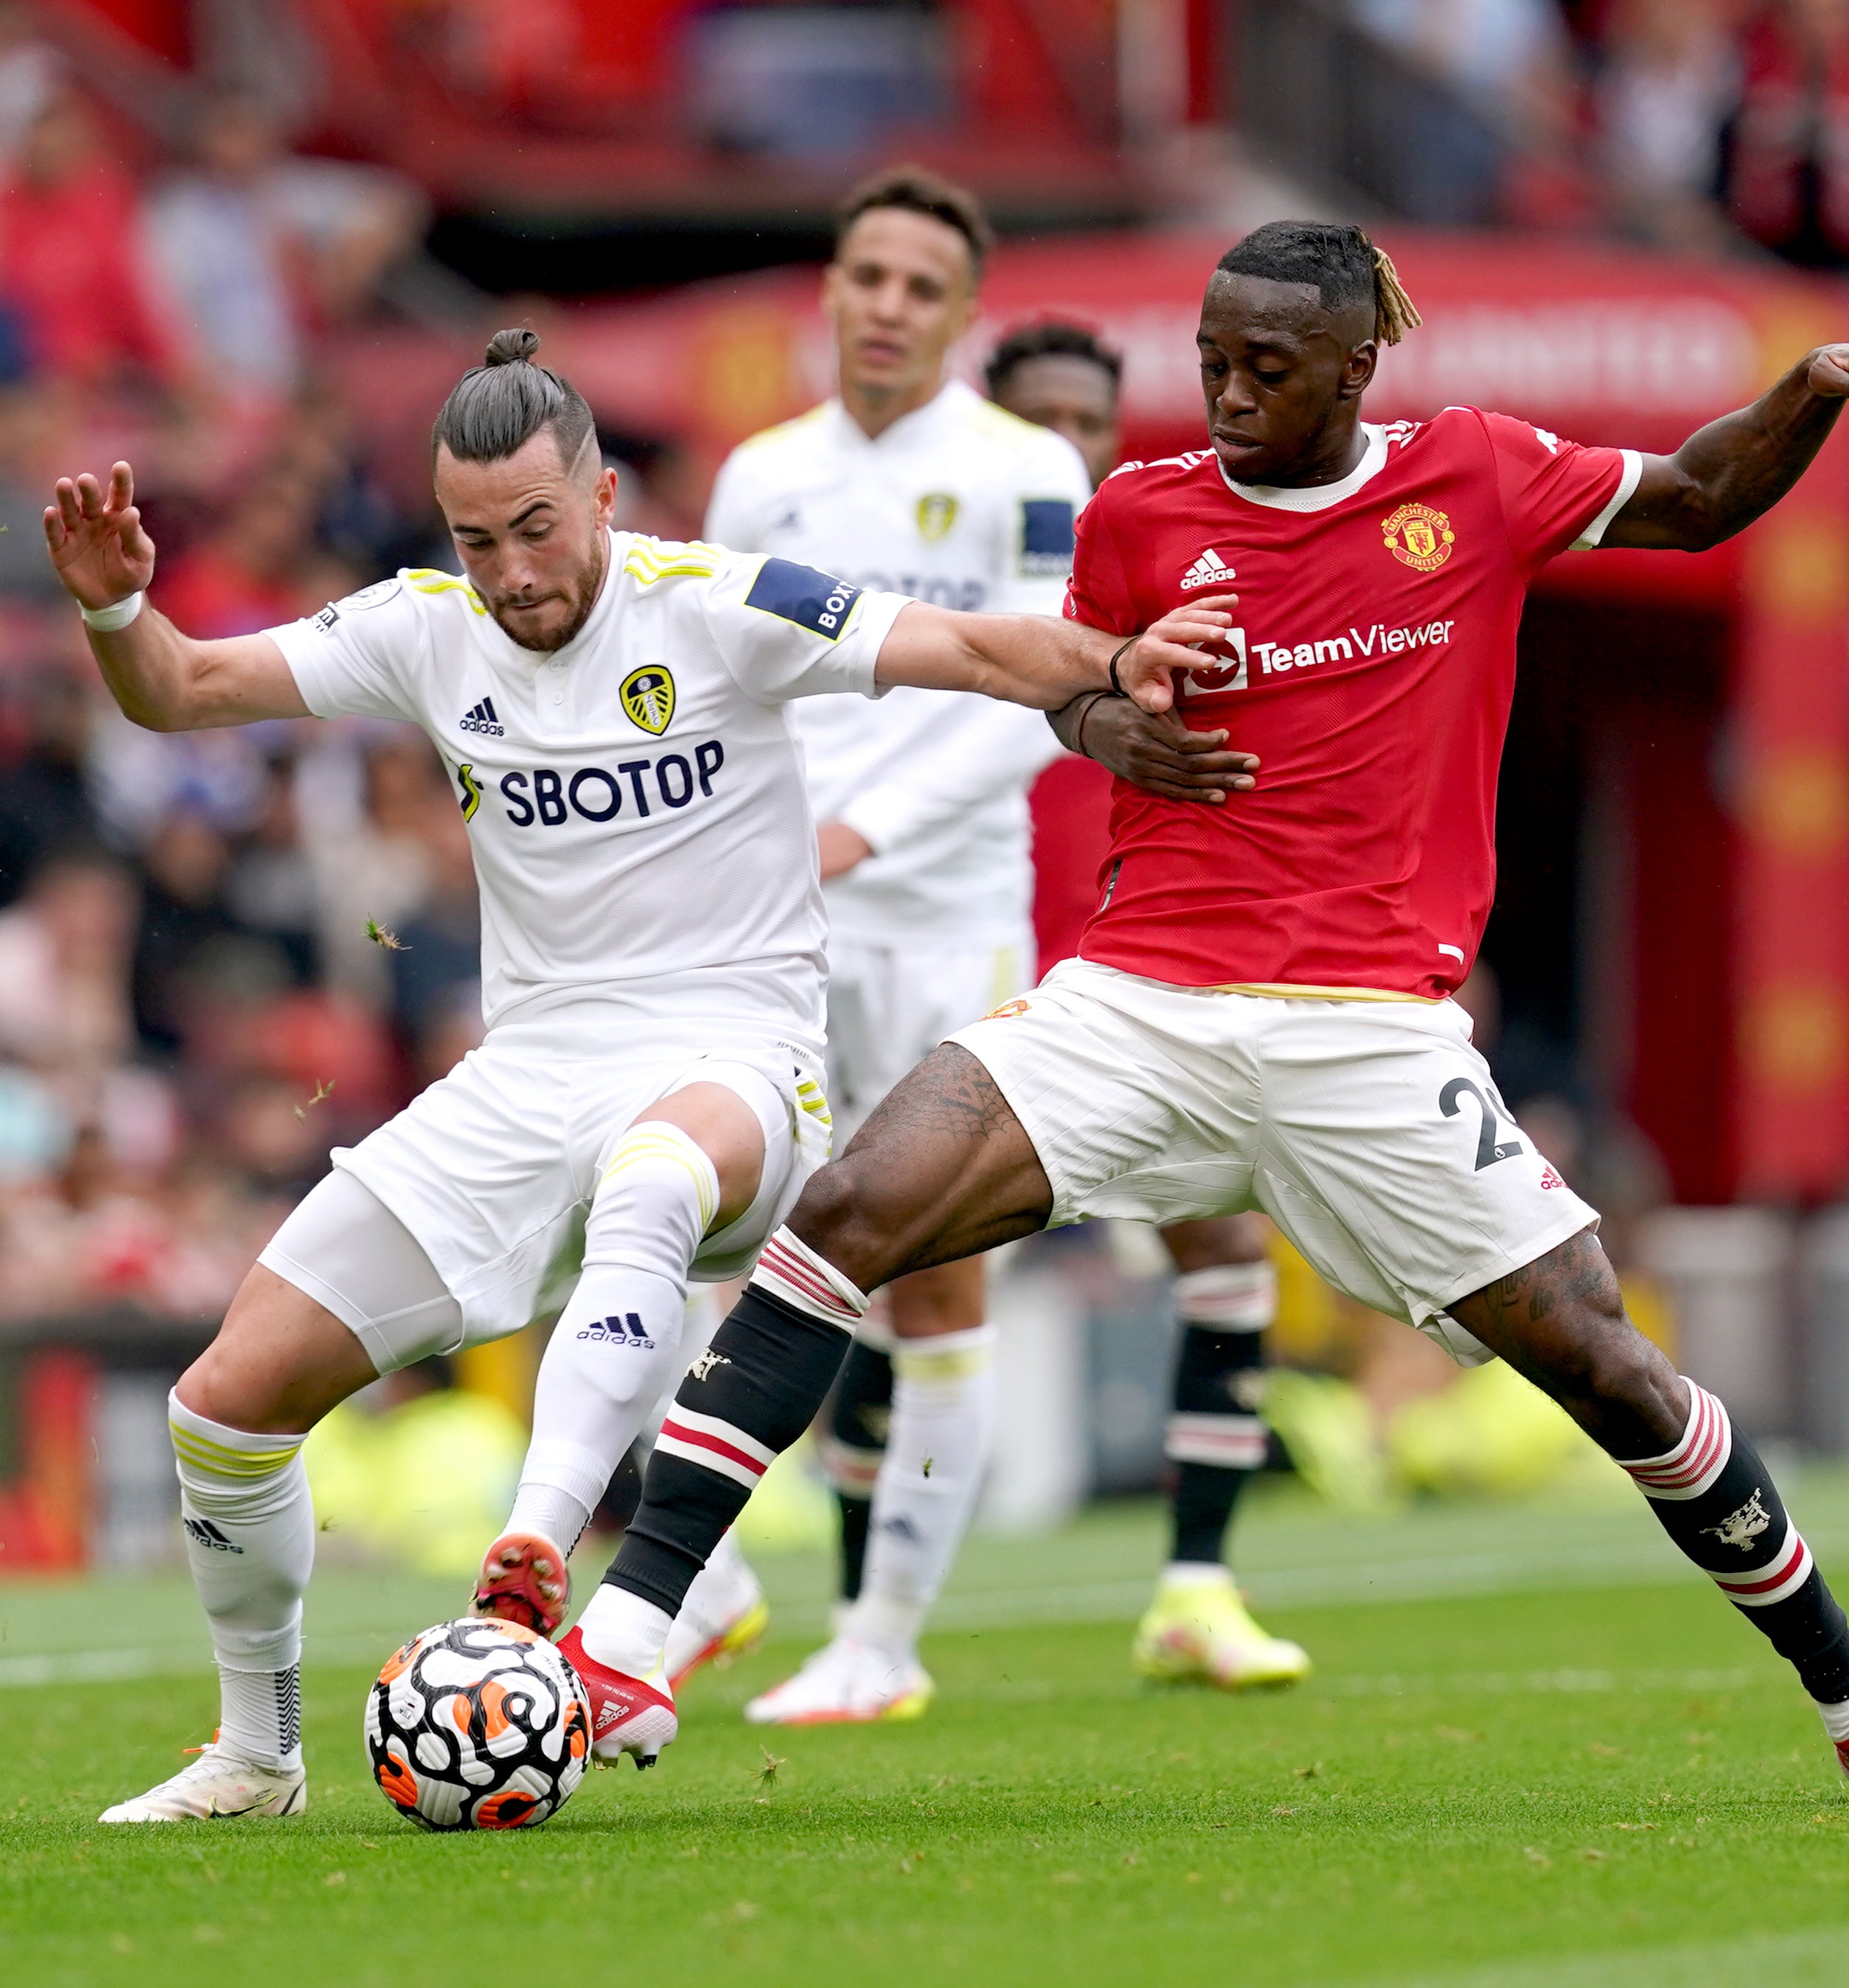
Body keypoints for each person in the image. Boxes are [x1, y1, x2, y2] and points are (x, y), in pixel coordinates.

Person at [554, 221, 1849, 1807]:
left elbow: (1697, 497)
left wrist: (1804, 389)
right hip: (1138, 998)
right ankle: (621, 1644)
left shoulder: (1472, 474)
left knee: (1606, 1367)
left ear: (1352, 364)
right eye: (1210, 363)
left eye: (1266, 368)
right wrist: (1123, 721)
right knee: (844, 1214)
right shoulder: (1137, 513)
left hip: (1366, 1029)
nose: (1230, 395)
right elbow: (1070, 689)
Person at [48, 328, 1224, 1822]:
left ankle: (533, 1563)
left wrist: (1118, 663)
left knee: (656, 1169)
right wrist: (117, 608)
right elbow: (182, 689)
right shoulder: (423, 627)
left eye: (538, 528)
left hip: (739, 1058)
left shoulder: (719, 605)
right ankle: (255, 1753)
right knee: (224, 1402)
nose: (513, 571)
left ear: (603, 495)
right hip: (527, 1071)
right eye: (477, 539)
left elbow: (975, 645)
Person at [697, 169, 1117, 1725]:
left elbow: (1043, 697)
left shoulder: (1024, 472)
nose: (883, 304)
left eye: (917, 286)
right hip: (779, 922)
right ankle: (714, 1589)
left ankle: (881, 1639)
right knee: (697, 1225)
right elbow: (734, 686)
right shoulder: (758, 480)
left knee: (931, 1292)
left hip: (943, 925)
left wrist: (863, 835)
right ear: (830, 286)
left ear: (959, 317)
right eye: (863, 273)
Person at [988, 314, 1310, 1694]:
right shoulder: (951, 599)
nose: (1069, 444)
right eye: (1039, 419)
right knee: (882, 1271)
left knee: (1227, 1259)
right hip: (969, 971)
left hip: (1130, 987)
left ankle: (1196, 1584)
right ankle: (851, 1614)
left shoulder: (1153, 578)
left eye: (1088, 420)